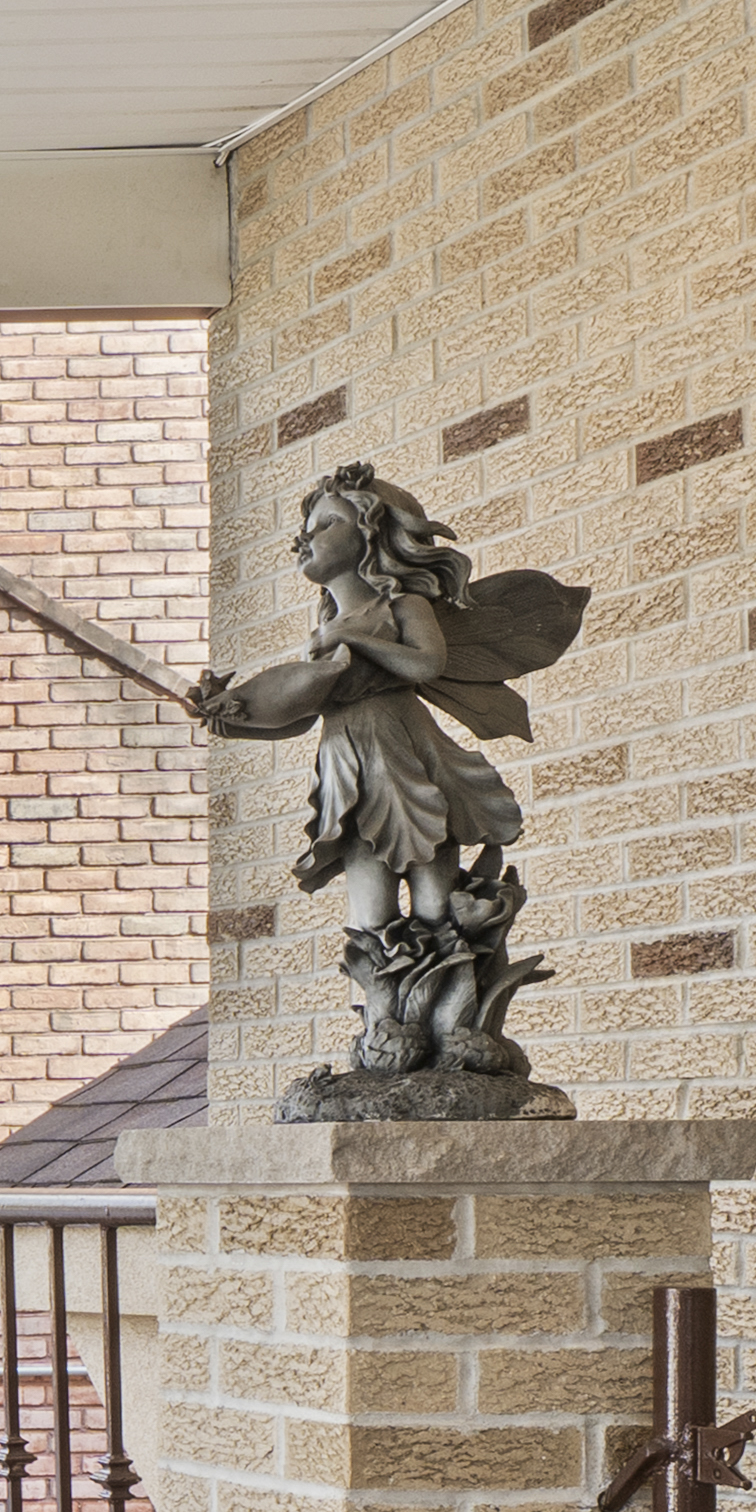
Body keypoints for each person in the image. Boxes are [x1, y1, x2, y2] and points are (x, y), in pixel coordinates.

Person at [191, 460, 590, 1102]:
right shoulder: (323, 625)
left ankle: (452, 1037)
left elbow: (426, 662)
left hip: (405, 757)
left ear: (369, 535)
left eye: (324, 523)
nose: (306, 537)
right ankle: (387, 1040)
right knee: (369, 905)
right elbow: (300, 712)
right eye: (306, 527)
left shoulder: (397, 603)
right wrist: (234, 721)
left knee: (434, 890)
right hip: (347, 766)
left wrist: (354, 635)